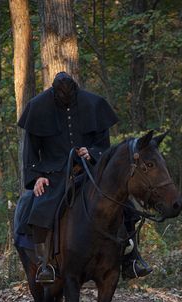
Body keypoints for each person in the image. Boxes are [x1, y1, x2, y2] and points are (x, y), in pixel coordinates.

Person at [17, 72, 152, 283]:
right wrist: (37, 178)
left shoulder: (94, 104)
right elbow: (31, 151)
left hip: (91, 171)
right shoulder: (38, 107)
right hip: (55, 175)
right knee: (41, 207)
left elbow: (104, 146)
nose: (65, 99)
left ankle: (131, 260)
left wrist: (92, 153)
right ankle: (46, 265)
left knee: (124, 206)